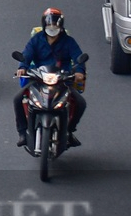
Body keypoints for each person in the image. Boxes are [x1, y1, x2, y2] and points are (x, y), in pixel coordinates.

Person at [15, 9, 87, 148]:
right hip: (38, 79)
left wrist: (79, 71)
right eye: (50, 25)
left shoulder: (68, 41)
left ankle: (70, 131)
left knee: (80, 103)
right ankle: (22, 133)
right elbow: (27, 54)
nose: (52, 28)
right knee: (18, 99)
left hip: (62, 79)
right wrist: (22, 67)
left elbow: (78, 58)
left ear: (60, 26)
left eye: (55, 25)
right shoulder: (36, 40)